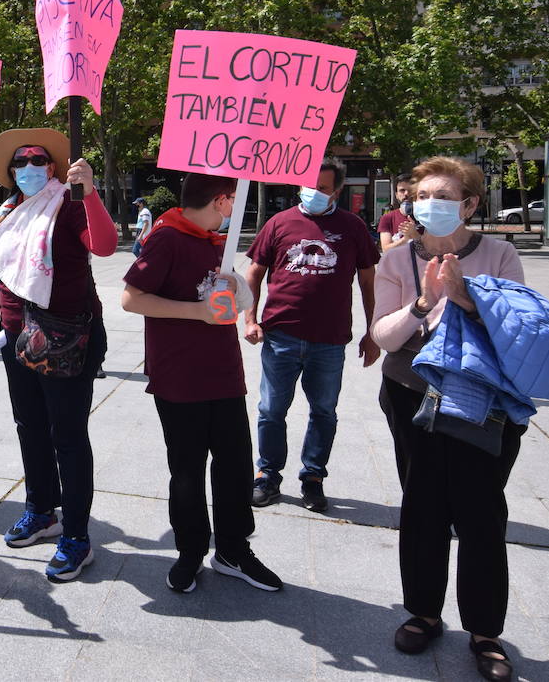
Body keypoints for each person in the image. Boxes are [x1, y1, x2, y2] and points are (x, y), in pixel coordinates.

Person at [371, 156, 526, 682]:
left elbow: (519, 332)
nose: (429, 205)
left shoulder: (500, 254)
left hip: (483, 403)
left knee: (482, 512)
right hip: (411, 395)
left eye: (443, 196)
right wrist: (423, 302)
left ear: (470, 204)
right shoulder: (395, 260)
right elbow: (382, 338)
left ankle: (485, 631)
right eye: (421, 195)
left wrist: (464, 297)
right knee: (423, 506)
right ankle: (423, 613)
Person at [0, 128, 117, 583]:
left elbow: (106, 245)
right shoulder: (8, 210)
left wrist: (89, 193)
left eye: (38, 160)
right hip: (17, 337)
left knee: (67, 437)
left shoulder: (69, 204)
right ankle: (41, 510)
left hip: (67, 336)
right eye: (20, 162)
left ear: (53, 167)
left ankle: (76, 536)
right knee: (29, 428)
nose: (29, 167)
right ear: (10, 174)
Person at [121, 172, 282, 594]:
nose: (236, 209)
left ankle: (232, 549)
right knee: (188, 470)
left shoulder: (217, 241)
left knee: (234, 465)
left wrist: (236, 293)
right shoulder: (166, 237)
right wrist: (198, 313)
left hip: (224, 372)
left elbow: (230, 301)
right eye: (234, 200)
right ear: (222, 200)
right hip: (178, 376)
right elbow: (131, 297)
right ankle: (190, 550)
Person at [242, 159, 381, 514]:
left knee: (324, 412)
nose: (314, 192)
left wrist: (372, 332)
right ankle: (267, 475)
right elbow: (254, 274)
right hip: (281, 336)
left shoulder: (353, 227)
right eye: (309, 184)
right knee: (271, 410)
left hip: (329, 341)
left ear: (337, 190)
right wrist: (250, 319)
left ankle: (313, 478)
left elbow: (368, 281)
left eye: (323, 187)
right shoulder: (279, 222)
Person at [378, 176, 417, 253]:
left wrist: (415, 235)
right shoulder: (387, 218)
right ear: (396, 195)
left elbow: (433, 248)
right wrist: (405, 239)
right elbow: (386, 250)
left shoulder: (426, 217)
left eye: (410, 190)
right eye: (402, 190)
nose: (406, 194)